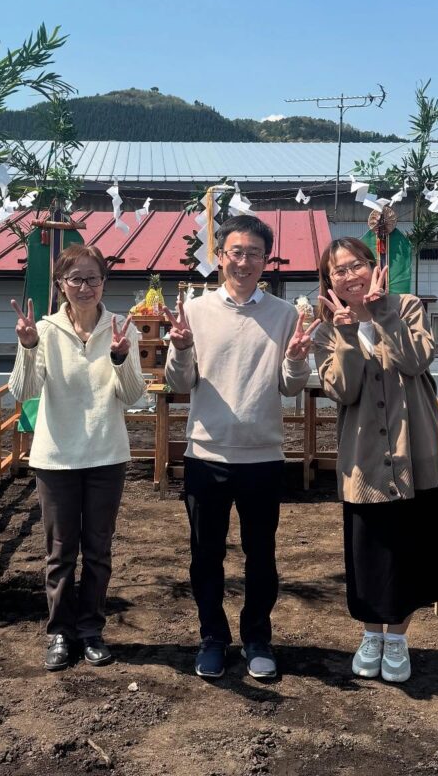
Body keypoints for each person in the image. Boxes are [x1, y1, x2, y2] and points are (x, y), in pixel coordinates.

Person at [163, 214, 320, 680]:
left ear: (265, 260)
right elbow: (179, 382)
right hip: (206, 455)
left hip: (263, 457)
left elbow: (290, 387)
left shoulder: (284, 314)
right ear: (221, 257)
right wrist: (181, 348)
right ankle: (212, 638)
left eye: (254, 253)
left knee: (261, 555)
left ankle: (257, 638)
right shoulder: (195, 310)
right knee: (205, 554)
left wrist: (295, 360)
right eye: (236, 252)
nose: (245, 261)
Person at [311, 237, 438, 683]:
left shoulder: (408, 307)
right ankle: (371, 635)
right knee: (370, 553)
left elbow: (415, 360)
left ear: (372, 266)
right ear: (330, 281)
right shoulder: (326, 329)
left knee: (411, 552)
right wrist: (343, 335)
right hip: (364, 460)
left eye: (356, 264)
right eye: (338, 271)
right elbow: (344, 390)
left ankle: (396, 639)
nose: (350, 275)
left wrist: (383, 314)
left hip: (414, 453)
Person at [9, 243, 146, 672]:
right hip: (56, 458)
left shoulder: (122, 328)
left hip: (106, 455)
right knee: (59, 551)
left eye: (93, 278)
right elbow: (24, 392)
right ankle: (59, 633)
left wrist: (121, 357)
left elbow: (134, 395)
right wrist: (28, 347)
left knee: (99, 550)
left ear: (104, 282)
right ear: (61, 285)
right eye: (75, 279)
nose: (85, 287)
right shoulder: (45, 330)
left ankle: (91, 630)